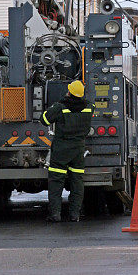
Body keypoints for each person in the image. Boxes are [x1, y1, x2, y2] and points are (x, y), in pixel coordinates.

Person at [42, 80, 93, 222]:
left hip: (61, 150)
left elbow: (44, 119)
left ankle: (55, 214)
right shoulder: (89, 107)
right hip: (78, 150)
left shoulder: (60, 107)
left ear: (69, 92)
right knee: (77, 182)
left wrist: (54, 107)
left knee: (56, 183)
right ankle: (74, 214)